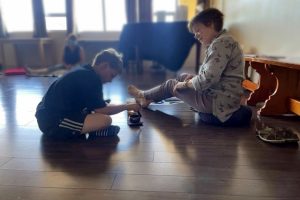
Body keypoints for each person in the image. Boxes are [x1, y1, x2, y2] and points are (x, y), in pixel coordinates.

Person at [128, 8, 252, 126]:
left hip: (218, 104)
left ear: (210, 24)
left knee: (172, 85)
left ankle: (143, 95)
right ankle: (148, 99)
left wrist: (186, 84)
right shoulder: (223, 41)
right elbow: (216, 76)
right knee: (183, 77)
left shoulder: (221, 43)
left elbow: (208, 79)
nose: (196, 36)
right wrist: (193, 78)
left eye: (198, 30)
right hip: (221, 97)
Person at [35, 48, 140, 139]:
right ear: (104, 66)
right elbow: (102, 109)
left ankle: (92, 129)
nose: (110, 80)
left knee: (99, 111)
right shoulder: (91, 79)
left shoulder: (85, 71)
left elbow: (100, 106)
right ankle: (95, 131)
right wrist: (127, 107)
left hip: (45, 114)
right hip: (53, 121)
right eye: (111, 75)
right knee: (105, 120)